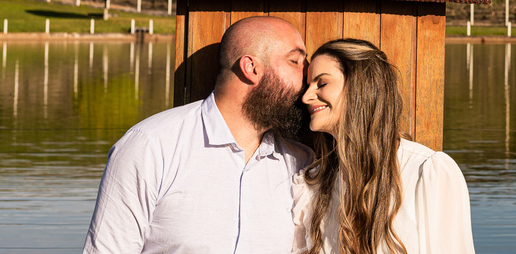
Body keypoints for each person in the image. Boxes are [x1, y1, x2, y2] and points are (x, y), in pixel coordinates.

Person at [83, 16, 312, 254]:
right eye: (295, 61)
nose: (307, 76)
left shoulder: (301, 163)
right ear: (252, 68)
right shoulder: (150, 147)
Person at [293, 39, 475, 254]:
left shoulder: (426, 172)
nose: (306, 97)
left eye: (321, 83)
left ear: (361, 87)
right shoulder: (312, 182)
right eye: (307, 86)